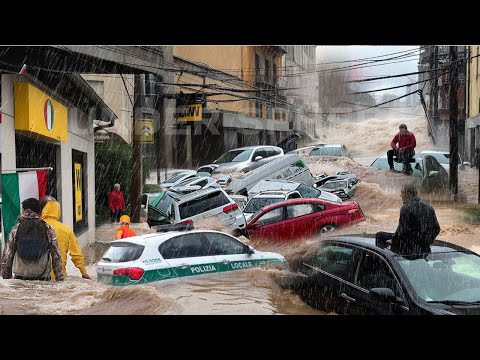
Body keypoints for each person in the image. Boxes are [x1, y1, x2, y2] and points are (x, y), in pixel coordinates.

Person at [1, 198, 64, 281]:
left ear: (24, 210)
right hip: (42, 277)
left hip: (20, 278)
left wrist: (6, 277)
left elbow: (8, 254)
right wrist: (59, 277)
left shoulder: (16, 229)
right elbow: (56, 254)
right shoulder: (47, 228)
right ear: (39, 211)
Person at [376, 183, 440, 254]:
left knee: (379, 235)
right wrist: (427, 241)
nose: (400, 196)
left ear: (409, 194)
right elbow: (437, 228)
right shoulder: (429, 207)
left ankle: (385, 259)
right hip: (423, 245)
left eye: (402, 193)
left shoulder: (406, 208)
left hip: (408, 245)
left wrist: (394, 240)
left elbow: (401, 230)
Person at [41, 200, 91, 280]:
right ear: (58, 212)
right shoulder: (66, 230)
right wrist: (84, 273)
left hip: (39, 276)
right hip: (59, 276)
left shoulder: (37, 226)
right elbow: (76, 254)